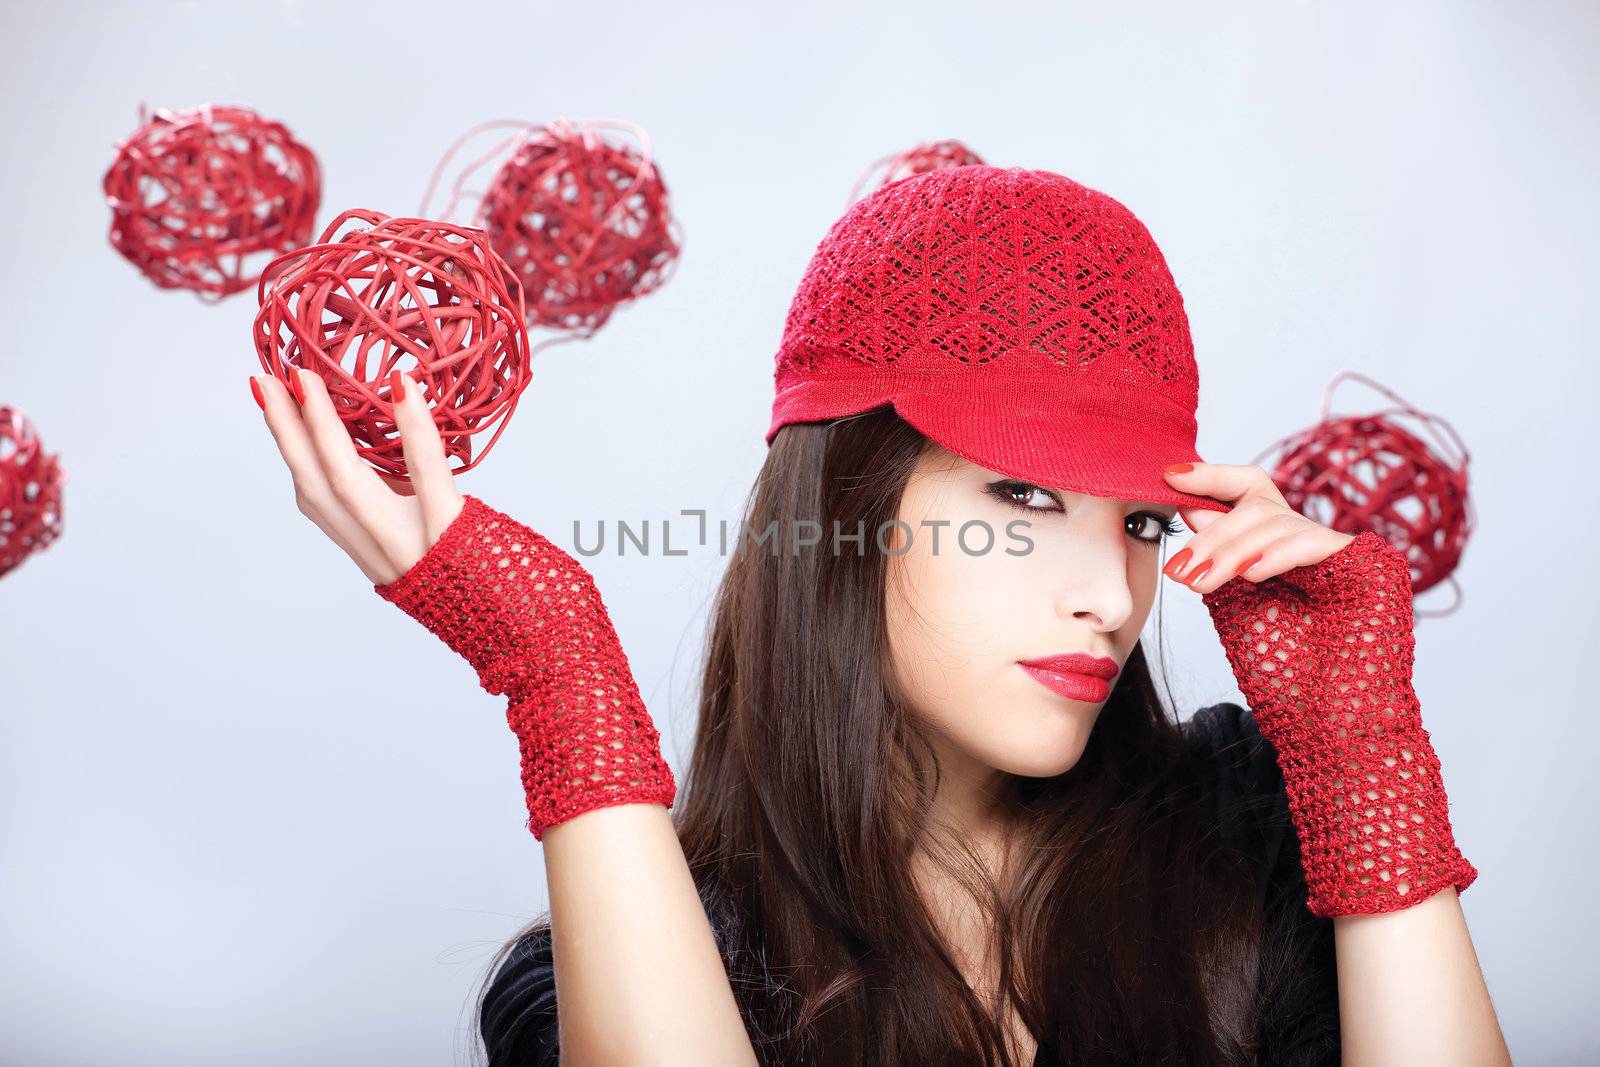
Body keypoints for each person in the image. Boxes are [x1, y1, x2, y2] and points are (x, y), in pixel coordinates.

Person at [248, 165, 1511, 1066]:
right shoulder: (648, 944)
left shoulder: (1262, 831)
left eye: (1139, 518)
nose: (1110, 591)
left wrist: (1364, 757)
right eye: (1021, 494)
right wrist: (559, 674)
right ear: (846, 505)